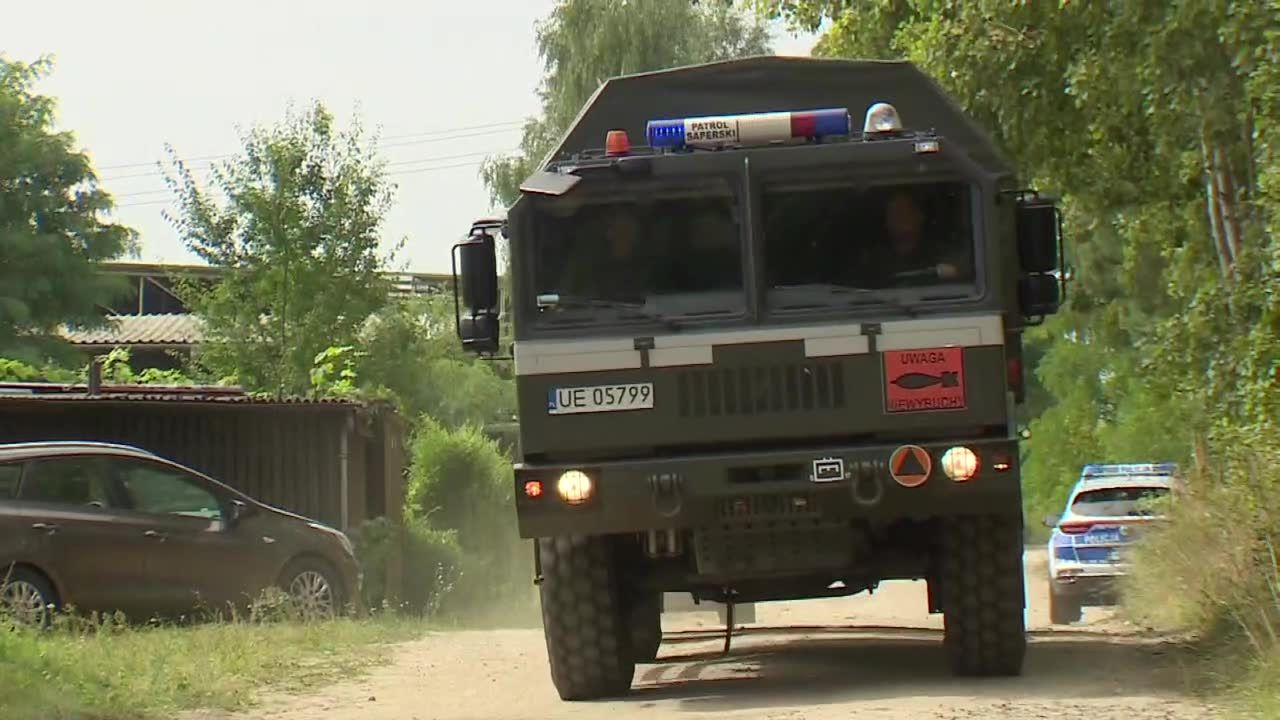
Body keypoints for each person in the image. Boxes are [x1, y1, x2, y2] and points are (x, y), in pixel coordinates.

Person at [857, 189, 967, 287]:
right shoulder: (875, 261)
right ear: (886, 221)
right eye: (895, 212)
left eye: (907, 211)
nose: (902, 217)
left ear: (920, 217)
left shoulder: (942, 254)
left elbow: (961, 275)